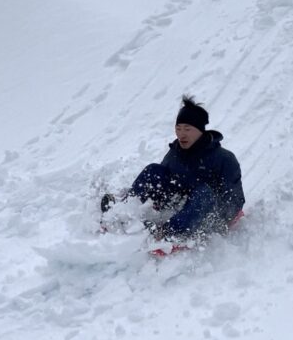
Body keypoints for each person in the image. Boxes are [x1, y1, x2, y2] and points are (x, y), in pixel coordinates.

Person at [101, 95, 245, 241]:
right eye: (178, 129)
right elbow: (162, 181)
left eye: (187, 129)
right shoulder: (176, 152)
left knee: (204, 193)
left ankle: (169, 233)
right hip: (181, 205)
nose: (182, 134)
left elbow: (235, 200)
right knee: (153, 171)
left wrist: (220, 220)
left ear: (200, 130)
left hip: (208, 215)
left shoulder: (224, 159)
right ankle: (125, 210)